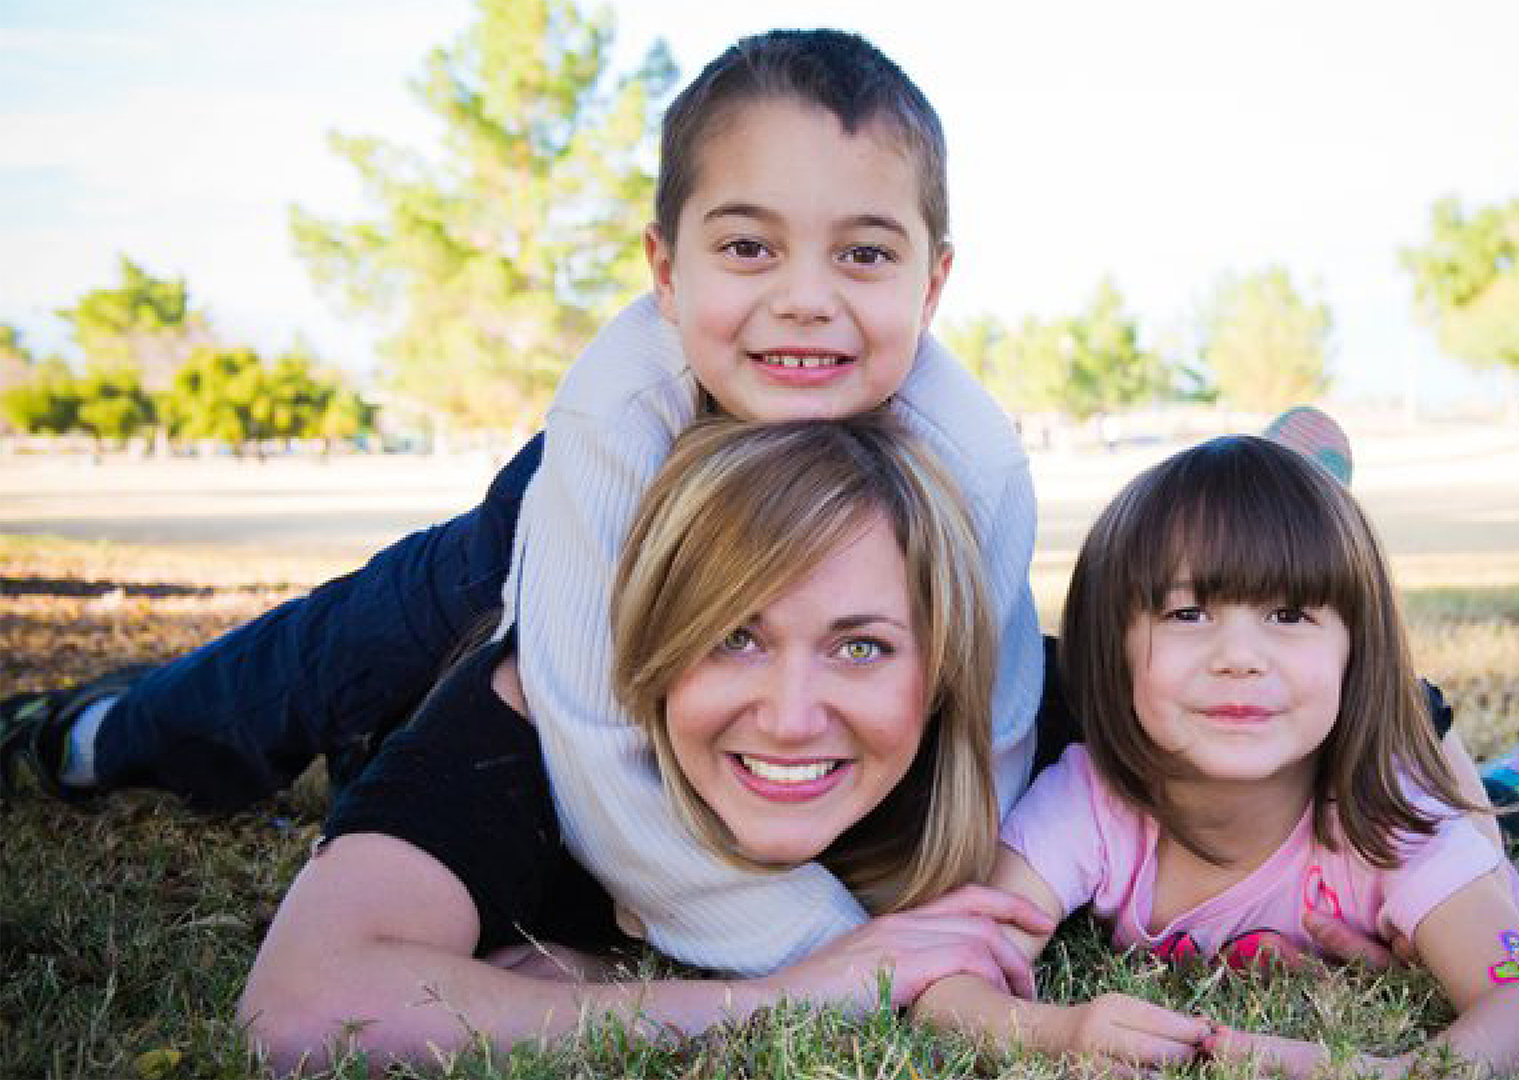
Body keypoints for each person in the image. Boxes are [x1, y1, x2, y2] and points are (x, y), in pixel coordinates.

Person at [1, 29, 1044, 976]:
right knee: (321, 663)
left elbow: (987, 726)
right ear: (665, 272)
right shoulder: (614, 408)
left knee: (388, 730)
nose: (807, 295)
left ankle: (343, 745)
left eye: (863, 254)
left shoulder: (977, 458)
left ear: (933, 283)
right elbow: (594, 744)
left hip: (759, 576)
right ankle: (94, 733)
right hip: (507, 552)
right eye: (747, 247)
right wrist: (833, 949)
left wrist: (951, 909)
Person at [240, 414, 1051, 1072]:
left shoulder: (1019, 715)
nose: (792, 718)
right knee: (214, 705)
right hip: (440, 602)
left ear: (943, 665)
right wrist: (785, 994)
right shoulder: (529, 716)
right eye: (734, 637)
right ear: (651, 646)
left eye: (861, 647)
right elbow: (303, 1006)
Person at [913, 435, 1519, 1077]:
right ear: (1113, 647)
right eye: (1188, 613)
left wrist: (1381, 1070)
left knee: (1507, 819)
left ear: (1355, 649)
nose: (1237, 658)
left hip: (1404, 785)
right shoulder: (1088, 801)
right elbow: (948, 983)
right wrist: (1063, 1033)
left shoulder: (1398, 825)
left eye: (1287, 615)